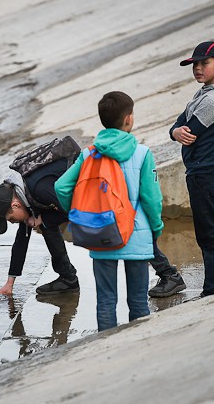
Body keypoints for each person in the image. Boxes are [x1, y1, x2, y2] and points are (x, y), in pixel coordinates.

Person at [55, 91, 164, 331]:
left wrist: (79, 213)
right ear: (128, 119)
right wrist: (156, 227)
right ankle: (139, 347)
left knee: (105, 300)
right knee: (138, 301)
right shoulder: (143, 153)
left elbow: (61, 187)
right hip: (137, 234)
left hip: (101, 233)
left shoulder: (88, 154)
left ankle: (106, 352)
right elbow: (151, 198)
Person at [170, 41, 214, 297]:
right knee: (209, 232)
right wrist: (175, 131)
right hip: (205, 171)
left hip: (206, 173)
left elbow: (190, 130)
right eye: (195, 64)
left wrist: (178, 130)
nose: (198, 68)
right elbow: (178, 125)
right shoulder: (205, 92)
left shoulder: (213, 99)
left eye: (204, 63)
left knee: (209, 234)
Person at [0, 158, 79, 295]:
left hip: (92, 187)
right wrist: (9, 283)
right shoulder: (21, 193)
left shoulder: (39, 189)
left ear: (15, 205)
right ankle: (68, 278)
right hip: (62, 195)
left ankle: (68, 279)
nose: (12, 222)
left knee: (46, 223)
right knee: (43, 222)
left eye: (10, 219)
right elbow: (21, 241)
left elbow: (76, 208)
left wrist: (43, 218)